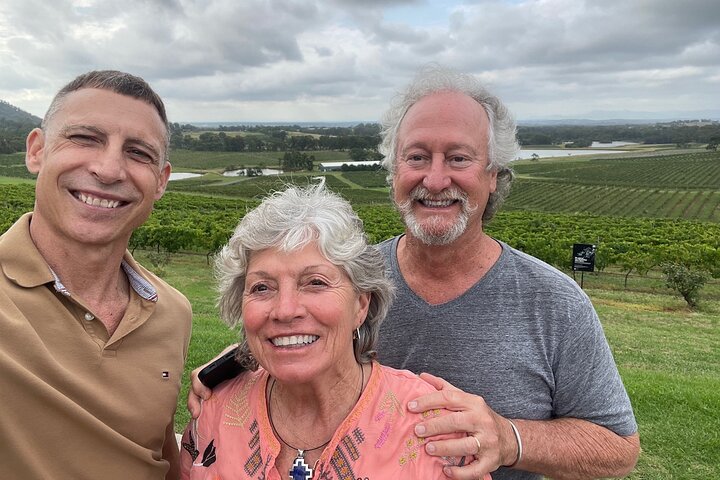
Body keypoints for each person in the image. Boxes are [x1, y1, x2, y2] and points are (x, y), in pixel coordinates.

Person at [189, 65, 640, 480]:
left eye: (459, 158)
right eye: (417, 157)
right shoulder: (347, 275)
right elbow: (294, 328)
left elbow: (619, 448)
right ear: (394, 172)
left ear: (493, 176)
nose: (436, 179)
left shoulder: (554, 303)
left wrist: (510, 439)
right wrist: (245, 362)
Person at [180, 185, 487, 480]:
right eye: (262, 287)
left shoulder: (436, 428)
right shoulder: (214, 410)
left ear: (361, 305)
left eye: (315, 283)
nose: (286, 310)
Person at [0, 70, 192, 480]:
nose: (108, 169)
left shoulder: (173, 312)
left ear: (160, 182)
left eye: (139, 153)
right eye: (85, 138)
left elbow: (154, 452)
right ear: (36, 151)